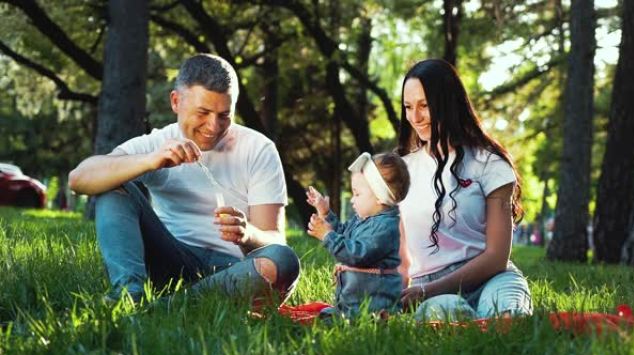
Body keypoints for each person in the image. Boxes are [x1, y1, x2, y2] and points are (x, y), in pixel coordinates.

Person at [68, 54, 299, 304]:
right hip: (170, 261)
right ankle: (129, 295)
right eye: (203, 112)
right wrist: (150, 160)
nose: (213, 126)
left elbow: (275, 240)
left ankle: (163, 307)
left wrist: (247, 234)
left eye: (224, 115)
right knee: (112, 185)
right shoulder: (158, 144)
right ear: (176, 101)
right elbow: (79, 179)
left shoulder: (258, 149)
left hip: (232, 269)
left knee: (284, 260)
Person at [397, 59, 533, 321]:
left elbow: (496, 257)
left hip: (492, 279)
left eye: (425, 106)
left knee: (510, 319)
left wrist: (426, 291)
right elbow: (400, 259)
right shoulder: (401, 171)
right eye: (408, 107)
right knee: (447, 317)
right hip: (430, 290)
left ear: (447, 104)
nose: (415, 117)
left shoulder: (490, 164)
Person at [306, 152, 410, 318]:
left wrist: (327, 236)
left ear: (379, 196)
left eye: (357, 194)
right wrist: (326, 213)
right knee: (324, 317)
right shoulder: (363, 219)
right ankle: (343, 312)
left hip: (372, 307)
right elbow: (343, 233)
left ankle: (378, 318)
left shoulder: (386, 227)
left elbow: (357, 255)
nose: (352, 200)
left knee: (330, 322)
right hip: (353, 302)